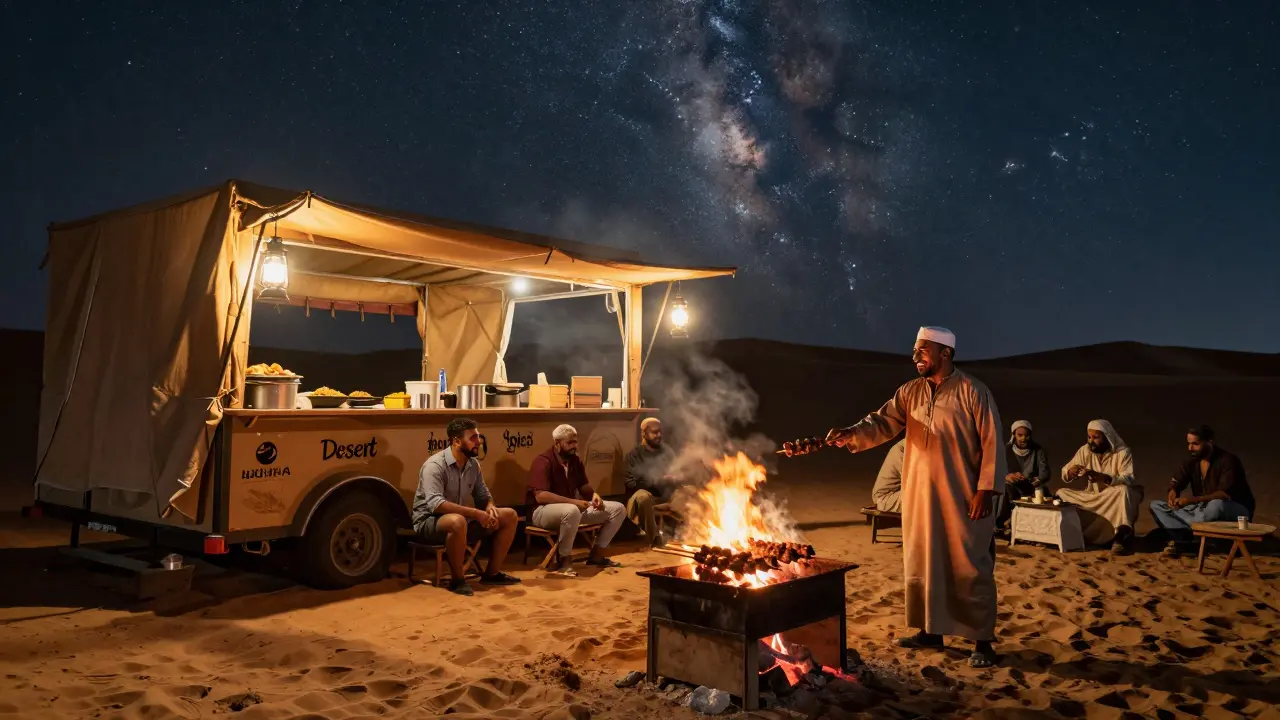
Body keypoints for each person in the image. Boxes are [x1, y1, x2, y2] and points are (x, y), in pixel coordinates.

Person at [797, 326, 1004, 669]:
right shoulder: (910, 392)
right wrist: (850, 434)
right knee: (923, 561)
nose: (915, 356)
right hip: (920, 495)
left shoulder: (973, 391)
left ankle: (982, 641)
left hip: (963, 495)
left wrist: (985, 490)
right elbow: (882, 422)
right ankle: (930, 632)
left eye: (922, 350)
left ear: (945, 353)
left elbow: (992, 441)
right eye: (914, 351)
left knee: (970, 565)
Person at [412, 418, 521, 595]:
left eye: (478, 437)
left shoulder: (473, 464)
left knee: (509, 515)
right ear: (456, 441)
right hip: (429, 522)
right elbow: (436, 505)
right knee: (457, 521)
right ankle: (458, 580)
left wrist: (490, 507)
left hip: (461, 521)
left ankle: (492, 574)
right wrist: (476, 514)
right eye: (473, 438)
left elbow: (483, 496)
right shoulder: (434, 465)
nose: (478, 442)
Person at [527, 424, 627, 576]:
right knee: (572, 510)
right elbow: (541, 496)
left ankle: (597, 554)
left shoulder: (575, 460)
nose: (574, 446)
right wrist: (574, 502)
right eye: (569, 443)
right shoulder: (543, 461)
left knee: (618, 509)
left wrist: (594, 496)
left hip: (571, 512)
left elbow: (583, 486)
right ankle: (564, 561)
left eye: (575, 442)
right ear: (557, 443)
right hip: (542, 513)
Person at [1149, 425, 1254, 557]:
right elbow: (1178, 480)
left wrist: (1190, 501)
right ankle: (1186, 539)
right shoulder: (1192, 460)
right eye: (1189, 443)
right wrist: (1173, 491)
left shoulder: (1228, 460)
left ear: (1209, 442)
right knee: (1156, 506)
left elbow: (1223, 494)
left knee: (1216, 505)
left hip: (1234, 509)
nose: (1190, 448)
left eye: (1195, 444)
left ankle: (1188, 530)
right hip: (1201, 509)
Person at [1056, 420, 1143, 554]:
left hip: (1112, 496)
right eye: (1089, 437)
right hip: (1093, 496)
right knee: (1062, 493)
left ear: (1107, 437)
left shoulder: (1123, 452)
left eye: (1096, 437)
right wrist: (1070, 472)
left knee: (1123, 491)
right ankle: (1073, 534)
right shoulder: (1085, 450)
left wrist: (1104, 477)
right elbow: (1065, 473)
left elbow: (1128, 478)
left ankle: (1120, 537)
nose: (1091, 441)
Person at [623, 417, 679, 546]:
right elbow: (630, 484)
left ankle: (678, 535)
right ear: (644, 433)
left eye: (660, 431)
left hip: (667, 496)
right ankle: (654, 539)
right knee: (643, 497)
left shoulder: (667, 451)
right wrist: (657, 481)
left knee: (690, 491)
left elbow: (677, 472)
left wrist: (675, 478)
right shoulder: (634, 455)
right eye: (654, 432)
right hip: (644, 498)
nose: (658, 435)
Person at [995, 420, 1051, 528]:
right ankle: (1001, 525)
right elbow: (997, 470)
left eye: (1027, 435)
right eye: (1020, 435)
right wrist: (1007, 476)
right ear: (1014, 435)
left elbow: (1045, 473)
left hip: (1030, 487)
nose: (1023, 439)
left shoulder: (1038, 451)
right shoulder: (1005, 450)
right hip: (1010, 487)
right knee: (1003, 489)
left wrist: (1032, 479)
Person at [871, 438, 906, 513]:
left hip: (900, 493)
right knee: (925, 496)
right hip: (886, 498)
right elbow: (912, 481)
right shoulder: (900, 449)